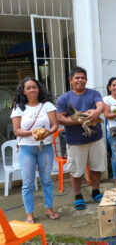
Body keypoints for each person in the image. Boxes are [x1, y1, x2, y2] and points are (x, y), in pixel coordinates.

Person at [56, 66, 106, 210]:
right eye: (77, 78)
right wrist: (80, 120)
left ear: (86, 80)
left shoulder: (94, 93)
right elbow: (59, 118)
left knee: (97, 167)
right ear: (70, 80)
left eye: (83, 78)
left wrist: (95, 113)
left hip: (95, 138)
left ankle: (96, 191)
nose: (80, 80)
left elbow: (100, 106)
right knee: (76, 170)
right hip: (75, 140)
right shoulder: (64, 98)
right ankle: (78, 196)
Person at [11, 77, 59, 223]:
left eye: (34, 87)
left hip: (45, 147)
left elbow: (54, 125)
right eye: (28, 88)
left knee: (47, 180)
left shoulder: (47, 106)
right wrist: (33, 133)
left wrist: (47, 133)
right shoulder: (18, 108)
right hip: (26, 149)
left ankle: (49, 208)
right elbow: (17, 131)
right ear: (24, 91)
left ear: (39, 89)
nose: (32, 90)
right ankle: (29, 214)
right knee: (27, 183)